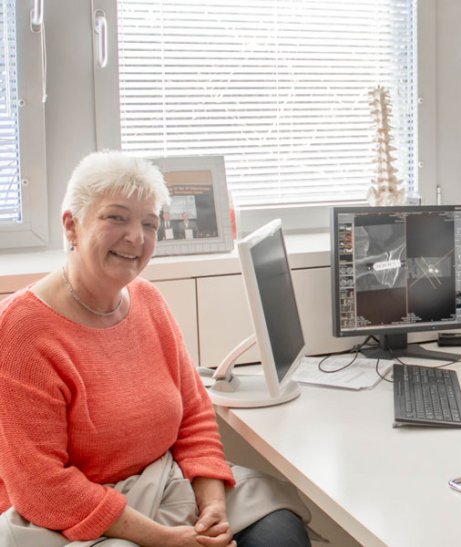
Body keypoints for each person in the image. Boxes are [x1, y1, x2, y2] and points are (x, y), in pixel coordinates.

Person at [0, 151, 311, 546]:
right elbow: (41, 486)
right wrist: (164, 539)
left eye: (149, 223)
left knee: (279, 530)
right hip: (66, 516)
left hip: (164, 483)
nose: (136, 237)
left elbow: (194, 416)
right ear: (71, 226)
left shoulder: (148, 300)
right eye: (116, 218)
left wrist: (213, 506)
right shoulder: (22, 330)